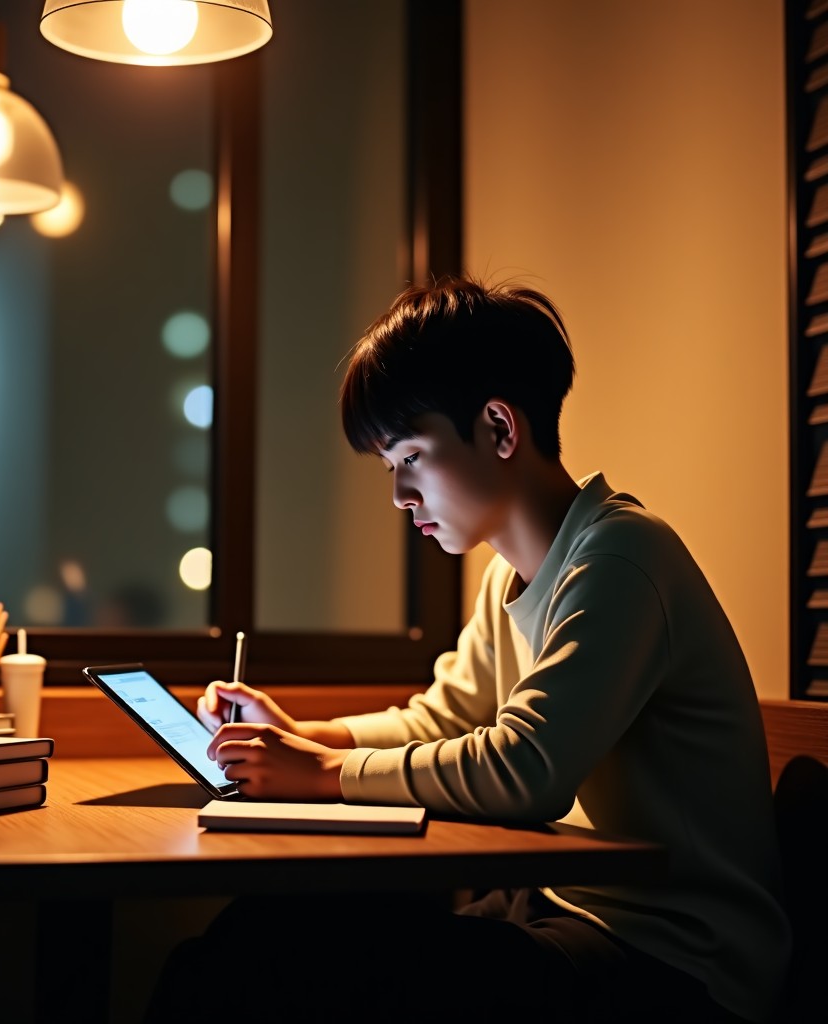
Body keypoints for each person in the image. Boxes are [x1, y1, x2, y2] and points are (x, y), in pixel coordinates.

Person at [144, 277, 789, 1023]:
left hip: (677, 960)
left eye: (412, 456)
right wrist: (300, 738)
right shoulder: (507, 577)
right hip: (558, 914)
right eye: (391, 468)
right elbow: (443, 719)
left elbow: (526, 769)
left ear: (499, 428)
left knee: (279, 966)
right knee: (253, 938)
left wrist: (321, 772)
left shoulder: (621, 559)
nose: (400, 496)